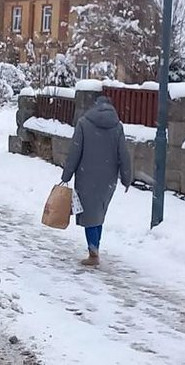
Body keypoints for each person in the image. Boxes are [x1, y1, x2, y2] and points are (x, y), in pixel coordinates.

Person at [61, 96, 133, 267]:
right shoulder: (117, 127)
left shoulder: (84, 123)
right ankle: (95, 248)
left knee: (89, 215)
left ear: (95, 106)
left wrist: (66, 175)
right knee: (98, 213)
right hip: (107, 179)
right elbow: (124, 154)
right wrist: (126, 178)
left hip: (86, 176)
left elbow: (74, 151)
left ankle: (93, 252)